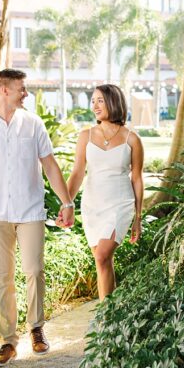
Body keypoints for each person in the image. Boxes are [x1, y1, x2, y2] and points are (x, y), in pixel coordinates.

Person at [0, 69, 76, 367]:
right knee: (2, 279)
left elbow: (49, 165)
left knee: (34, 269)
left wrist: (67, 202)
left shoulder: (33, 125)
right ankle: (8, 341)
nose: (26, 94)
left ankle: (36, 328)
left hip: (30, 210)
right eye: (21, 89)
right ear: (3, 90)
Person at [62, 84, 144, 299]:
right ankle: (108, 316)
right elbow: (77, 173)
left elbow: (136, 178)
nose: (95, 106)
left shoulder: (132, 139)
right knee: (102, 261)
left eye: (100, 100)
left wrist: (138, 217)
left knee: (102, 256)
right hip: (92, 204)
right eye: (93, 101)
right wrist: (66, 203)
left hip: (120, 204)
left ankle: (105, 316)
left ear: (114, 102)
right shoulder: (86, 136)